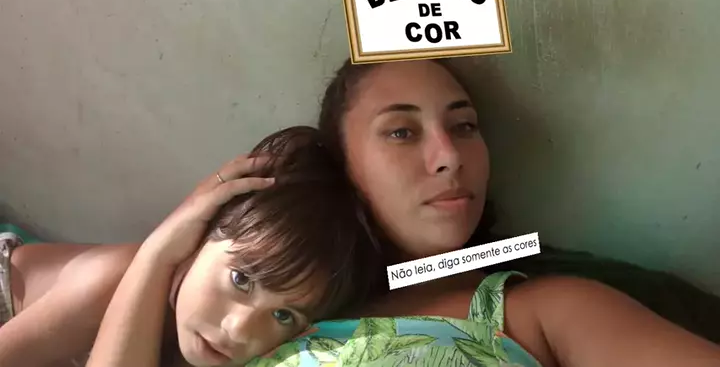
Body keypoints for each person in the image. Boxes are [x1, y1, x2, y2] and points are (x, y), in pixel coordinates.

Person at [233, 58, 720, 366]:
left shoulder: (548, 311)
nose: (449, 155)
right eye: (401, 131)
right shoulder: (263, 311)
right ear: (340, 163)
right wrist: (181, 242)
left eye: (464, 126)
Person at [5, 126, 384, 367]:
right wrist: (155, 254)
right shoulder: (113, 279)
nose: (238, 329)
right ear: (195, 242)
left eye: (283, 315)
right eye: (241, 279)